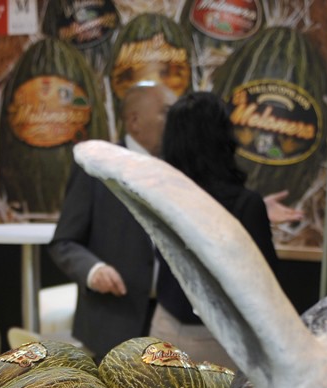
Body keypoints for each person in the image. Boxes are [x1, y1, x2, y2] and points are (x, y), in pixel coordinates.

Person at [149, 90, 279, 372]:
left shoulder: (159, 196)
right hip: (220, 342)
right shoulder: (245, 204)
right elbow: (266, 287)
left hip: (162, 332)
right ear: (223, 137)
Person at [49, 80, 177, 358]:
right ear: (134, 121)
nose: (176, 120)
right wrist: (93, 270)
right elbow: (64, 243)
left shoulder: (179, 170)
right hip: (113, 325)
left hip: (172, 327)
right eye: (167, 112)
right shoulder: (97, 169)